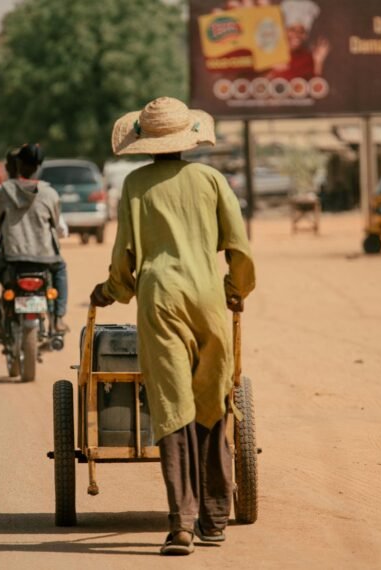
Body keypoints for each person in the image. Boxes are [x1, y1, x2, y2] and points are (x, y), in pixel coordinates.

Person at [90, 97, 256, 556]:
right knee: (213, 402)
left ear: (145, 142)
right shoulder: (211, 179)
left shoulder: (136, 185)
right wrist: (236, 288)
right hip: (208, 299)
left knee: (172, 408)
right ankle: (215, 519)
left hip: (159, 299)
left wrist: (111, 291)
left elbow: (125, 257)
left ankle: (181, 525)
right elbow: (239, 247)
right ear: (189, 138)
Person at [0, 144, 69, 340]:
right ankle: (58, 318)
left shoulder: (1, 193)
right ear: (39, 167)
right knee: (61, 269)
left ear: (14, 165)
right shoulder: (50, 193)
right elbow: (59, 227)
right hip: (45, 258)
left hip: (10, 257)